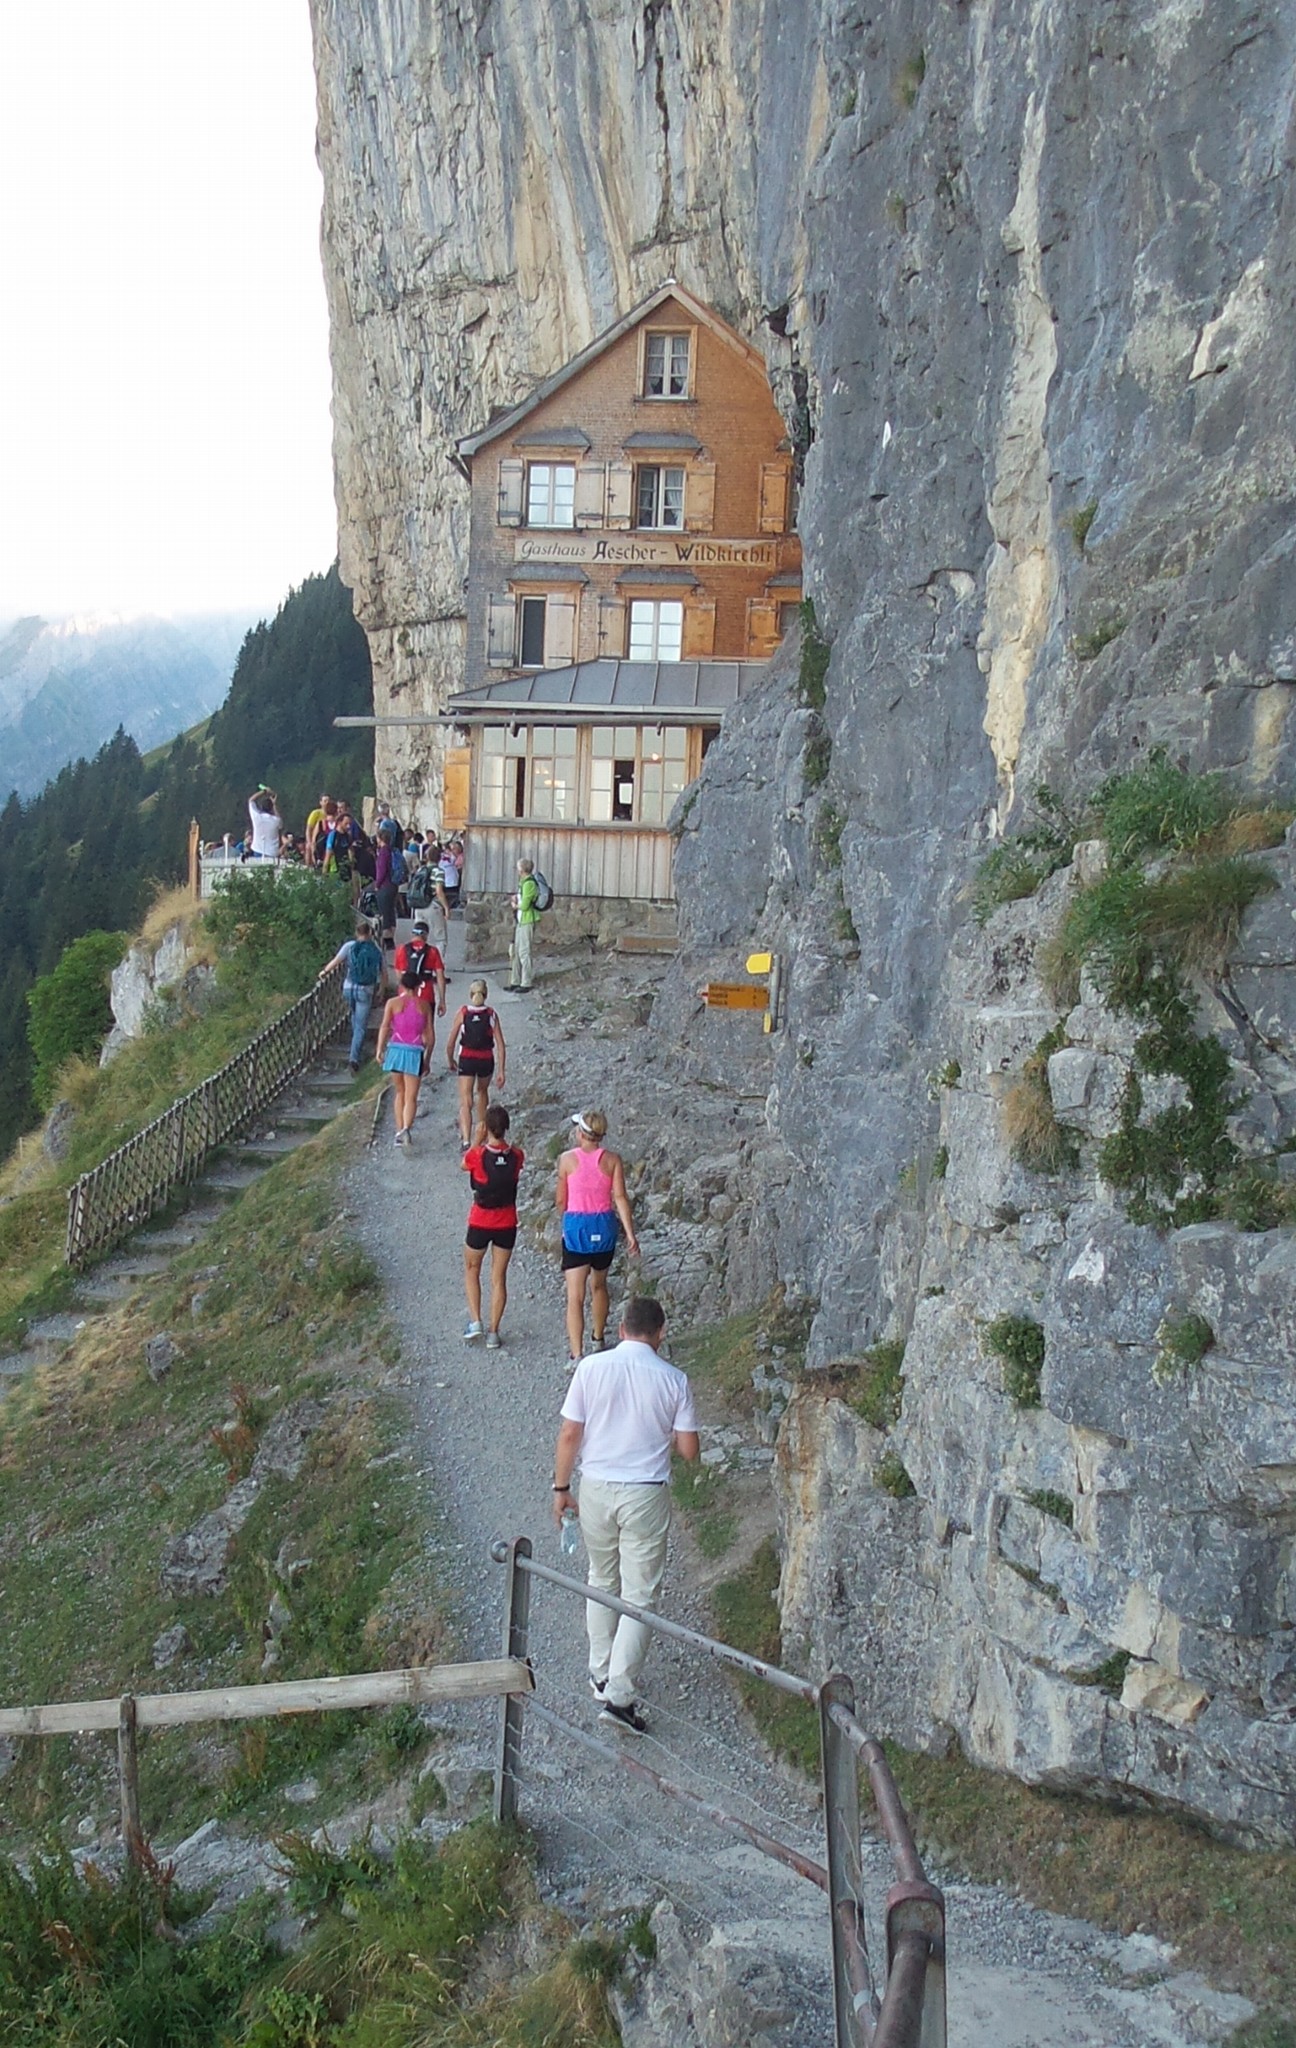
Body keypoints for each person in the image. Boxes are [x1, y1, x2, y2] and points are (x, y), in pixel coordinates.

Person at [552, 1296, 699, 1734]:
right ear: (661, 1333)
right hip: (645, 1493)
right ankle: (619, 1696)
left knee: (601, 1577)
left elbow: (570, 1432)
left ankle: (600, 1674)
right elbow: (689, 1450)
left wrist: (561, 1488)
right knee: (640, 1594)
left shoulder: (590, 1368)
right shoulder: (674, 1379)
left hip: (596, 1486)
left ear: (620, 1329)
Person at [556, 1109, 640, 1367]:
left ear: (581, 1133)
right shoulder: (613, 1160)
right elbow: (620, 1198)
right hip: (604, 1229)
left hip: (577, 1230)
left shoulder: (567, 1160)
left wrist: (566, 1218)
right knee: (600, 1285)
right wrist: (630, 1234)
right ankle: (598, 1338)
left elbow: (561, 1200)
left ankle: (577, 1355)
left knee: (575, 1295)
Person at [462, 1102, 523, 1348]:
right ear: (506, 1127)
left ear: (486, 1127)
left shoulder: (477, 1155)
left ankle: (476, 1321)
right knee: (499, 1277)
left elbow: (464, 1164)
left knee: (472, 1268)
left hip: (480, 1220)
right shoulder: (517, 1155)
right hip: (507, 1221)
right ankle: (494, 1332)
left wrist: (476, 1140)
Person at [375, 969, 434, 1146]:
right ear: (418, 986)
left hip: (395, 1050)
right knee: (411, 1096)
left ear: (402, 985)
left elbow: (385, 1026)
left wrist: (380, 1049)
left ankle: (399, 1131)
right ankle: (406, 1128)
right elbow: (430, 1037)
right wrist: (427, 1059)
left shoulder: (392, 1003)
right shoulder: (424, 1006)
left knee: (399, 1092)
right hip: (415, 1052)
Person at [319, 920, 386, 1073]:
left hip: (348, 988)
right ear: (370, 933)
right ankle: (354, 1059)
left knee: (355, 1017)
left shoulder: (349, 946)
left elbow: (336, 962)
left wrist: (324, 972)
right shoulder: (375, 949)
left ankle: (355, 1046)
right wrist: (381, 990)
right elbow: (384, 974)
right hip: (365, 990)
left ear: (357, 933)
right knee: (361, 1025)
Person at [445, 978, 505, 1149]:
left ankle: (466, 1140)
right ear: (486, 995)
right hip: (486, 1058)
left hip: (467, 1058)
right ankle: (482, 1133)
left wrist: (450, 1059)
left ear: (470, 994)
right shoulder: (491, 1014)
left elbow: (451, 1042)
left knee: (466, 1099)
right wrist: (501, 1070)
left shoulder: (463, 1013)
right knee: (482, 1092)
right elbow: (500, 1044)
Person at [393, 919, 446, 1020]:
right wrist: (442, 1000)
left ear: (413, 933)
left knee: (407, 1026)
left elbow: (399, 976)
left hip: (405, 995)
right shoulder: (432, 951)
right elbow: (440, 977)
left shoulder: (401, 949)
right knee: (427, 1027)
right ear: (426, 935)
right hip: (426, 995)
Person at [507, 857, 540, 991]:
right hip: (521, 920)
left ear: (522, 869)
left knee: (524, 952)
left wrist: (515, 905)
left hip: (527, 920)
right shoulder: (524, 882)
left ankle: (526, 982)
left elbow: (525, 905)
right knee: (516, 951)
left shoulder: (529, 883)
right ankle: (515, 981)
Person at [247, 787, 282, 861]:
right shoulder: (276, 821)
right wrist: (274, 804)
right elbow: (279, 821)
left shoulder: (257, 817)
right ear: (271, 808)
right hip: (272, 852)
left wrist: (264, 791)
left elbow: (251, 800)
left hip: (257, 849)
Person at [305, 792, 332, 866]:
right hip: (316, 838)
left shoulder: (332, 814)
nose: (327, 803)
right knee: (308, 847)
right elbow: (309, 829)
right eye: (325, 801)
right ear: (321, 802)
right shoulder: (316, 813)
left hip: (327, 838)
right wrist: (309, 841)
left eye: (328, 801)